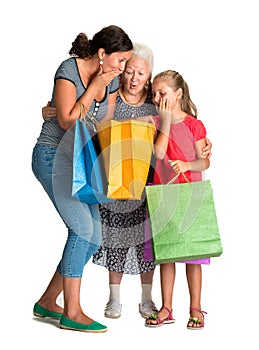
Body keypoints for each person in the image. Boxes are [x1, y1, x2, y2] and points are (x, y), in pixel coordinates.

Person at [41, 44, 213, 321]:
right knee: (114, 239)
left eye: (141, 73)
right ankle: (114, 298)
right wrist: (52, 109)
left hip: (151, 181)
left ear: (149, 76)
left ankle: (148, 299)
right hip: (112, 179)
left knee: (151, 246)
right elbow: (80, 113)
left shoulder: (155, 103)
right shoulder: (109, 95)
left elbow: (182, 129)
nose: (134, 78)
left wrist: (200, 148)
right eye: (129, 70)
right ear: (121, 72)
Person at [32, 25, 133, 333]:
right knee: (82, 229)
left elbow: (104, 126)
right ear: (101, 54)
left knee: (95, 235)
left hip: (82, 163)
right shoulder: (69, 71)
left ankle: (48, 302)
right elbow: (67, 121)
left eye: (126, 62)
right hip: (52, 156)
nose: (122, 68)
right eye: (119, 60)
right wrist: (92, 88)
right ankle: (72, 312)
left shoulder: (112, 81)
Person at [145, 70, 210, 329]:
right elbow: (158, 153)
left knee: (193, 256)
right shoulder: (154, 121)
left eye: (163, 93)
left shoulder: (195, 125)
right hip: (163, 194)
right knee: (167, 254)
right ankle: (166, 308)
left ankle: (196, 308)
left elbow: (205, 160)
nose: (158, 97)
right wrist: (167, 122)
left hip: (191, 194)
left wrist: (187, 164)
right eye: (155, 94)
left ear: (178, 94)